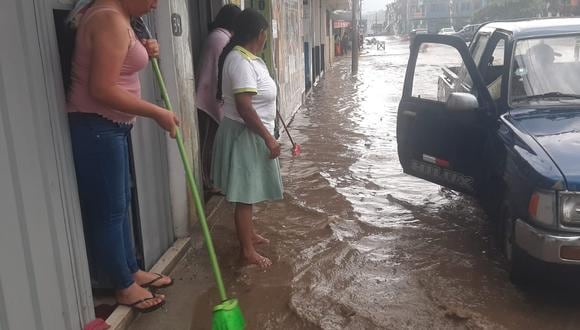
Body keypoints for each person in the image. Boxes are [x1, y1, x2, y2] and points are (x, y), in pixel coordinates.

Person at [66, 0, 179, 313]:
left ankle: (130, 269)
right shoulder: (109, 20)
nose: (155, 4)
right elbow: (101, 88)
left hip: (109, 126)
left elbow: (122, 59)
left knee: (120, 204)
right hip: (97, 126)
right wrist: (156, 112)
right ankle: (123, 285)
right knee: (110, 211)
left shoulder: (120, 17)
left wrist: (146, 49)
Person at [213, 9, 283, 269]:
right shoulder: (240, 61)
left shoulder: (248, 58)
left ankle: (249, 235)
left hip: (249, 132)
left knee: (249, 192)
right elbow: (245, 108)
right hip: (247, 134)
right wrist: (269, 139)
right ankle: (247, 251)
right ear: (261, 33)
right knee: (245, 195)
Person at [196, 4, 241, 199]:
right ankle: (209, 182)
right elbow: (220, 73)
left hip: (211, 96)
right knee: (209, 144)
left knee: (214, 142)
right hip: (207, 99)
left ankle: (214, 180)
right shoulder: (220, 39)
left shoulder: (219, 37)